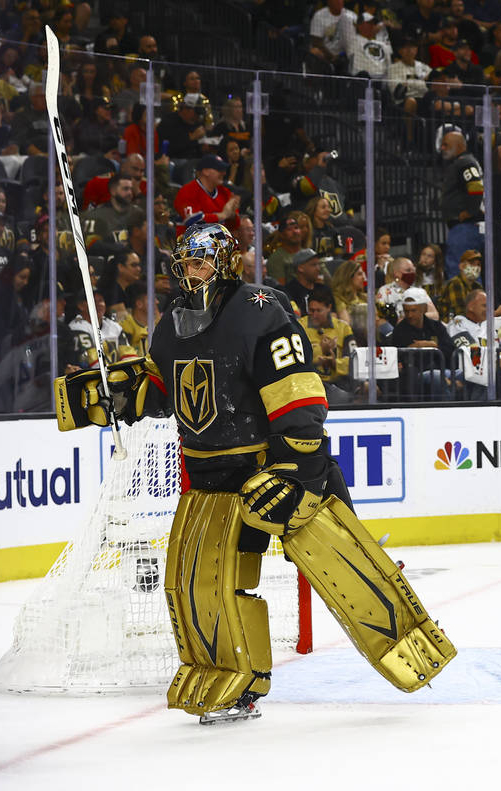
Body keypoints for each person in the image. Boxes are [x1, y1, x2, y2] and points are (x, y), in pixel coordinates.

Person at [53, 222, 453, 722]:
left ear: (223, 263)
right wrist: (115, 393)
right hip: (209, 475)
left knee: (346, 570)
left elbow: (298, 394)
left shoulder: (262, 312)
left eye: (198, 262)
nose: (187, 272)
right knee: (195, 584)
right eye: (184, 263)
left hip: (272, 469)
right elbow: (165, 389)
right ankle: (236, 679)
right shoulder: (171, 323)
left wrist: (299, 470)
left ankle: (414, 645)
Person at [390, 286, 456, 401]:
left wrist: (433, 346)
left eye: (413, 311)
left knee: (466, 375)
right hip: (418, 375)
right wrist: (415, 349)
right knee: (436, 376)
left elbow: (451, 350)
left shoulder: (436, 327)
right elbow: (403, 359)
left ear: (424, 309)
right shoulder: (400, 331)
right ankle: (446, 411)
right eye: (406, 311)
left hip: (444, 370)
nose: (409, 315)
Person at [438, 130, 484, 279]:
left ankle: (468, 302)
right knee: (470, 274)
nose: (441, 148)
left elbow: (476, 187)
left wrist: (471, 211)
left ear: (458, 146)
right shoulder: (461, 163)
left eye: (445, 145)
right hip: (465, 228)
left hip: (465, 229)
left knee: (460, 273)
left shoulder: (465, 162)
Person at [299, 286, 356, 404]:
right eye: (311, 310)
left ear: (329, 307)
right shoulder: (300, 326)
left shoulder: (343, 328)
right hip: (309, 385)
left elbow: (354, 361)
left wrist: (335, 363)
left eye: (318, 311)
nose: (314, 315)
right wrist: (320, 350)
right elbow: (298, 357)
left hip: (338, 384)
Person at [173, 155, 241, 236]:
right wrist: (222, 215)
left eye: (223, 170)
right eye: (219, 169)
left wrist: (232, 215)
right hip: (191, 244)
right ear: (205, 171)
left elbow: (234, 227)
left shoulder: (225, 192)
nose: (224, 173)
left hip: (218, 245)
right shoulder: (187, 191)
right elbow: (192, 221)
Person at [437, 249, 501, 322]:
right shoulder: (455, 284)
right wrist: (495, 314)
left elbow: (483, 310)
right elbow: (462, 315)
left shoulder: (477, 286)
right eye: (472, 263)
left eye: (478, 264)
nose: (476, 267)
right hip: (454, 326)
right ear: (461, 266)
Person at [283, 248, 325, 316]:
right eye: (314, 265)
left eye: (318, 264)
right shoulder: (288, 292)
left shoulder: (324, 289)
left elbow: (332, 316)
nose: (318, 268)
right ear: (300, 268)